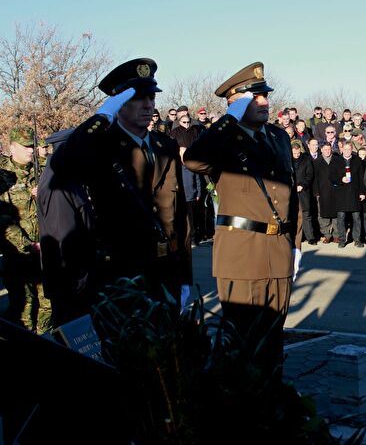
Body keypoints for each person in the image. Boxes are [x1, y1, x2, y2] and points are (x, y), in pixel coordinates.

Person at [184, 61, 301, 379]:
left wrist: (296, 244)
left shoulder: (278, 137)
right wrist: (227, 122)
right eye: (254, 97)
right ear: (235, 104)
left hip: (278, 248)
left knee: (273, 342)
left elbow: (292, 192)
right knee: (243, 345)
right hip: (242, 252)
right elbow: (194, 160)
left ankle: (273, 409)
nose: (264, 102)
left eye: (265, 95)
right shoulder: (223, 139)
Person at [50, 58, 192, 307]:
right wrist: (102, 117)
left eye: (151, 97)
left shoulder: (164, 145)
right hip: (123, 272)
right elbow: (63, 164)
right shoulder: (102, 145)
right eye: (138, 98)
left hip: (166, 267)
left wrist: (185, 275)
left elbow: (179, 215)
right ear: (119, 102)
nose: (148, 104)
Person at [37, 128, 96, 327]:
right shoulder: (59, 186)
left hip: (74, 279)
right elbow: (65, 240)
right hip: (71, 283)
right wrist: (80, 280)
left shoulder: (66, 177)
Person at [0, 126, 50, 333]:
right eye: (27, 146)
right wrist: (27, 245)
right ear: (12, 147)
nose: (31, 150)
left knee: (48, 306)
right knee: (24, 310)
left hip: (46, 249)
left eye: (34, 146)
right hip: (19, 254)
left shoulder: (44, 170)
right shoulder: (3, 176)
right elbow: (2, 218)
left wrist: (47, 193)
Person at [292, 141, 316, 245]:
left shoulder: (306, 160)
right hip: (292, 191)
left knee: (306, 215)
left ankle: (310, 237)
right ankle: (297, 237)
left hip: (304, 191)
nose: (296, 155)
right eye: (294, 154)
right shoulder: (288, 160)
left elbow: (310, 175)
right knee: (294, 215)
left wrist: (302, 185)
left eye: (298, 153)